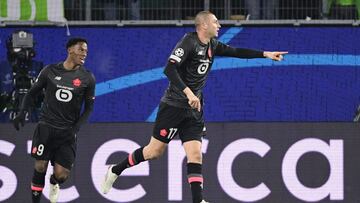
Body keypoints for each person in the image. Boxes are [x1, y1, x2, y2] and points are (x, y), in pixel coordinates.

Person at [101, 10, 287, 203]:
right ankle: (115, 169)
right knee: (153, 152)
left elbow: (236, 52)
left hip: (194, 109)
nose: (220, 25)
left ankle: (198, 200)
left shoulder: (212, 45)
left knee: (196, 154)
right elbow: (169, 68)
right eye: (215, 22)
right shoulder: (188, 42)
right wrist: (189, 93)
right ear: (204, 25)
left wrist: (266, 54)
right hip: (173, 106)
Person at [13, 38, 95, 203]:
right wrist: (22, 113)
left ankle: (54, 182)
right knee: (40, 166)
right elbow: (31, 93)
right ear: (70, 50)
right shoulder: (50, 71)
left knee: (61, 175)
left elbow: (88, 108)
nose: (84, 53)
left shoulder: (87, 78)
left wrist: (75, 128)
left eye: (86, 51)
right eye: (81, 49)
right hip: (46, 127)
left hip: (67, 132)